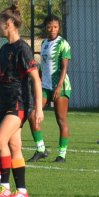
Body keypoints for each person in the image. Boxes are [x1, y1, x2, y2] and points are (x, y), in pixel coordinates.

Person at [0, 4, 44, 197]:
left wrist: (38, 108)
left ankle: (4, 187)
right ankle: (21, 191)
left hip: (19, 103)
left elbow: (36, 79)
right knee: (14, 146)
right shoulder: (3, 50)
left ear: (10, 24)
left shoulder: (23, 49)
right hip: (6, 103)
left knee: (0, 139)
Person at [28, 14, 72, 163]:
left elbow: (64, 67)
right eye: (49, 27)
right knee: (33, 115)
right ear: (45, 28)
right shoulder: (44, 43)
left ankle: (62, 155)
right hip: (45, 86)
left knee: (61, 120)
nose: (52, 29)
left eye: (55, 27)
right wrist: (37, 81)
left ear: (59, 28)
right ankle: (41, 149)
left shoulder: (63, 43)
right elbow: (43, 65)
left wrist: (59, 86)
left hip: (61, 86)